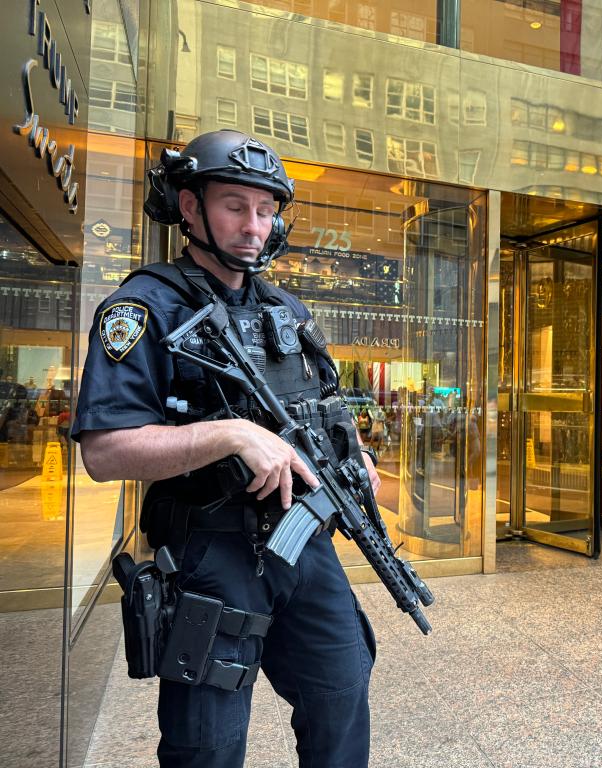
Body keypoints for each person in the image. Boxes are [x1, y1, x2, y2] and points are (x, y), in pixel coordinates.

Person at [71, 130, 379, 767]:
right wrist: (232, 434)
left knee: (342, 703)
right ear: (190, 207)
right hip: (213, 551)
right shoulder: (144, 307)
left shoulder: (287, 311)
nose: (254, 226)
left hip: (304, 541)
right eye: (235, 205)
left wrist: (355, 458)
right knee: (207, 746)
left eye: (266, 211)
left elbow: (328, 409)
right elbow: (104, 452)